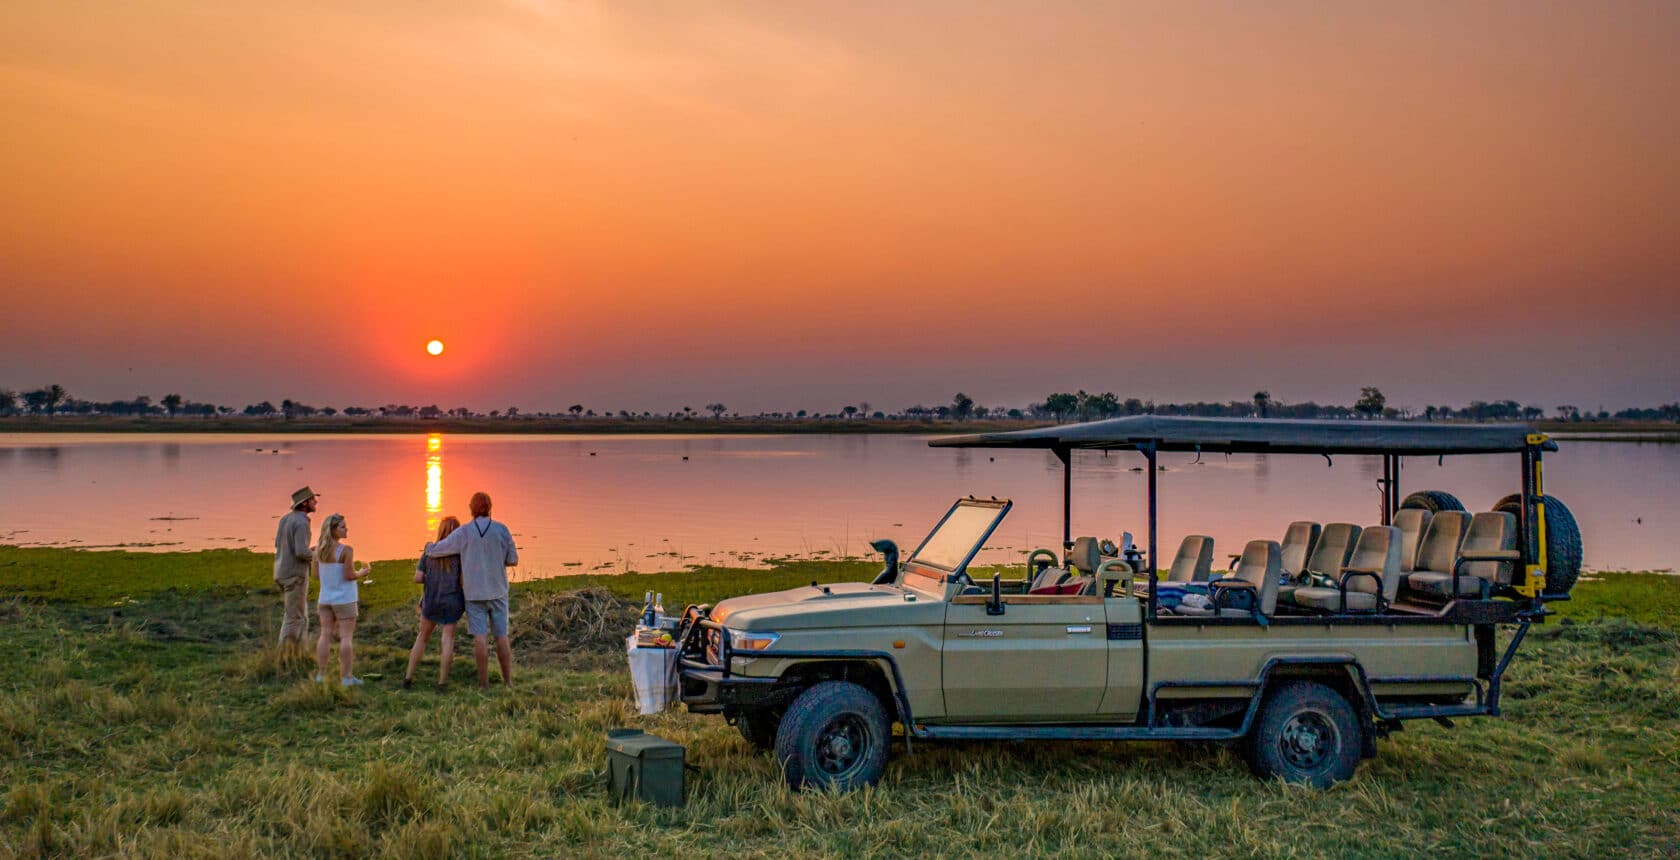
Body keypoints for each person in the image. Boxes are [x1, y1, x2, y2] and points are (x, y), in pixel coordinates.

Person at [425, 492, 519, 690]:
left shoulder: (464, 532)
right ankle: (508, 682)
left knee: (480, 638)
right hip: (498, 591)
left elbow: (439, 549)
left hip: (474, 594)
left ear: (471, 509)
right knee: (501, 636)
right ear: (490, 507)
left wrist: (428, 547)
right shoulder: (502, 529)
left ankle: (483, 684)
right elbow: (513, 560)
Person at [405, 516, 465, 690]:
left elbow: (417, 577)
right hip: (452, 601)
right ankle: (442, 683)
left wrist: (432, 578)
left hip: (431, 600)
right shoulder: (460, 555)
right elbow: (462, 582)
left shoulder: (429, 550)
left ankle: (408, 677)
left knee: (422, 638)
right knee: (447, 640)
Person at [313, 513, 371, 686]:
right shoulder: (346, 551)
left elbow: (316, 575)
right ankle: (347, 677)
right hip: (344, 599)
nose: (347, 529)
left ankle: (321, 675)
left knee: (325, 635)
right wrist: (362, 573)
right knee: (346, 637)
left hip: (325, 599)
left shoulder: (318, 550)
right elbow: (349, 575)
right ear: (333, 530)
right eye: (343, 527)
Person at [273, 486, 318, 654]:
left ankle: (299, 654)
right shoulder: (302, 522)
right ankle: (284, 657)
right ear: (305, 503)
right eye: (313, 500)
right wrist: (316, 553)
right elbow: (300, 551)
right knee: (295, 618)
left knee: (296, 615)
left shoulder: (285, 519)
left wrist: (308, 550)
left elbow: (278, 544)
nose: (316, 502)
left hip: (281, 572)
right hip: (295, 575)